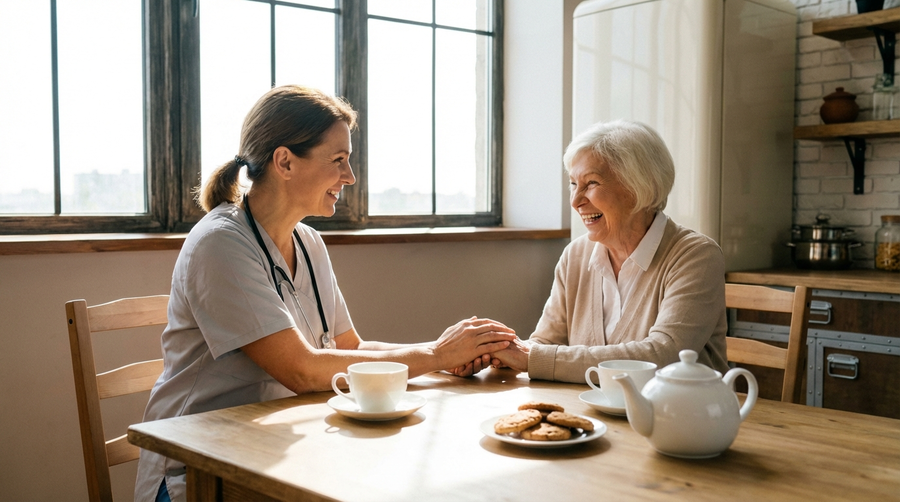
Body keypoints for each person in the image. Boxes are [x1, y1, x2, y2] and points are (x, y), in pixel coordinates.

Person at [134, 85, 516, 502]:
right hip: (199, 473)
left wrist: (444, 354)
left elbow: (352, 348)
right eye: (338, 160)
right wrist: (437, 356)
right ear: (284, 162)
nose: (349, 176)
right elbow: (301, 370)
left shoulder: (309, 241)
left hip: (276, 452)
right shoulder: (220, 243)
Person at [479, 120, 728, 382]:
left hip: (682, 418)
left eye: (591, 183)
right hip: (590, 416)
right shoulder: (575, 256)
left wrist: (529, 358)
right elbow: (545, 344)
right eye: (574, 184)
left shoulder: (696, 257)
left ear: (640, 188)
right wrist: (499, 354)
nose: (576, 201)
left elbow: (662, 356)